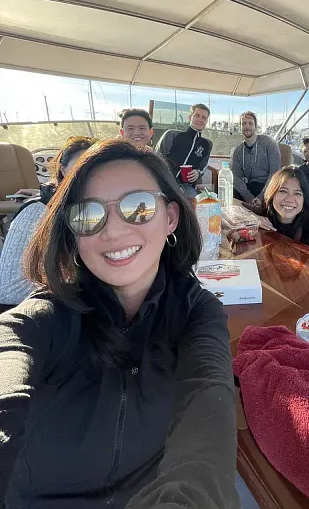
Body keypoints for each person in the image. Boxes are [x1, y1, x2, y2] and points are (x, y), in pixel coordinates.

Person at [0, 139, 238, 509]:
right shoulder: (43, 320)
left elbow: (208, 408)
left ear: (170, 218)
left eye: (138, 207)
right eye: (88, 215)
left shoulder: (196, 312)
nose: (111, 231)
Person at [0, 136, 95, 307]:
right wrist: (81, 289)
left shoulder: (94, 208)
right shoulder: (37, 211)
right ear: (63, 169)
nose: (87, 173)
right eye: (80, 165)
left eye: (95, 167)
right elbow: (8, 289)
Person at [259, 166, 309, 256]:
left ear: (304, 199)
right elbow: (242, 209)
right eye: (283, 191)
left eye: (297, 193)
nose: (289, 199)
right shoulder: (262, 216)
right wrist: (253, 218)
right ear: (272, 194)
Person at [156, 103, 212, 198]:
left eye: (204, 117)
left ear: (206, 121)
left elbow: (203, 165)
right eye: (197, 115)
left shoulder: (207, 144)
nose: (200, 119)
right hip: (164, 183)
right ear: (190, 117)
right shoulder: (172, 135)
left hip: (186, 186)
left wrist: (198, 172)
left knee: (193, 203)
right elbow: (157, 158)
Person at [231, 111, 281, 206]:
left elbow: (275, 173)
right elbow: (236, 177)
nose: (247, 126)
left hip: (269, 186)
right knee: (231, 191)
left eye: (250, 123)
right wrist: (248, 197)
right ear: (240, 127)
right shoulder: (238, 151)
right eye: (244, 123)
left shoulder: (269, 143)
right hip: (250, 187)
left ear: (256, 126)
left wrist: (261, 197)